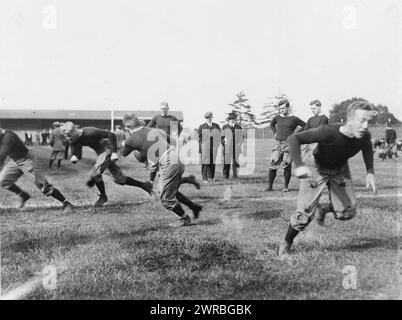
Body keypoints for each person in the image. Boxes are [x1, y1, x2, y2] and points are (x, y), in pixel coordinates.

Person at [277, 100, 377, 260]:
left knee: (347, 211)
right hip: (316, 167)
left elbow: (366, 147)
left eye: (368, 122)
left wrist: (370, 172)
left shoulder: (364, 135)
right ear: (350, 119)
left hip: (340, 169)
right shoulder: (328, 132)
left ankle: (324, 208)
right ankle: (285, 244)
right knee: (304, 214)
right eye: (362, 121)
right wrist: (299, 165)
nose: (365, 126)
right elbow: (293, 139)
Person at [122, 114, 202, 227]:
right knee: (167, 190)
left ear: (127, 127)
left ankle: (184, 218)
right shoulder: (155, 130)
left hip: (169, 163)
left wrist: (133, 144)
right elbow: (173, 142)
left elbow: (124, 153)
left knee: (166, 199)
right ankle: (194, 207)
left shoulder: (132, 139)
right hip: (176, 157)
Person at [61, 121, 153, 207]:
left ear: (74, 131)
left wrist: (114, 152)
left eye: (69, 135)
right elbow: (77, 154)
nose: (68, 138)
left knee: (94, 174)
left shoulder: (90, 132)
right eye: (66, 136)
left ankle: (103, 196)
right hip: (100, 152)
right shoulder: (73, 139)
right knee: (119, 179)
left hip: (107, 149)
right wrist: (74, 157)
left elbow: (110, 134)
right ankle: (145, 185)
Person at [0, 127, 74, 213]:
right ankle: (23, 196)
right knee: (4, 180)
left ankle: (67, 204)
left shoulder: (8, 137)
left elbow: (1, 156)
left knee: (43, 185)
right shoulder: (2, 136)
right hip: (14, 161)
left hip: (27, 160)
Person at [265, 99, 306, 192]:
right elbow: (272, 124)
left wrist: (296, 134)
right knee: (273, 164)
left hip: (289, 144)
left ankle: (285, 187)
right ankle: (269, 186)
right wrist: (275, 132)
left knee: (286, 165)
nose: (281, 110)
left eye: (283, 108)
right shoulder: (277, 117)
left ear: (288, 107)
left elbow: (305, 125)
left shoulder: (294, 119)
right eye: (280, 109)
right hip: (277, 144)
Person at [198, 112, 221, 183]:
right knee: (205, 163)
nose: (208, 119)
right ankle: (205, 178)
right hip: (205, 147)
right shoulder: (201, 126)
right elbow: (199, 139)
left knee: (212, 162)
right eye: (207, 118)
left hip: (214, 147)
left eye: (209, 117)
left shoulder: (216, 126)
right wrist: (200, 149)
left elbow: (219, 137)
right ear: (205, 118)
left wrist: (217, 146)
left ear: (212, 117)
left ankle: (211, 177)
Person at [221, 113, 243, 180]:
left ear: (235, 120)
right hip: (227, 148)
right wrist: (224, 142)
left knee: (235, 163)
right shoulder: (225, 127)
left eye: (233, 119)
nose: (232, 120)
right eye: (230, 119)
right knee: (226, 163)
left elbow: (241, 137)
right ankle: (225, 176)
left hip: (236, 148)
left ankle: (235, 176)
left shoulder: (238, 127)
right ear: (228, 120)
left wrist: (239, 144)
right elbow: (222, 137)